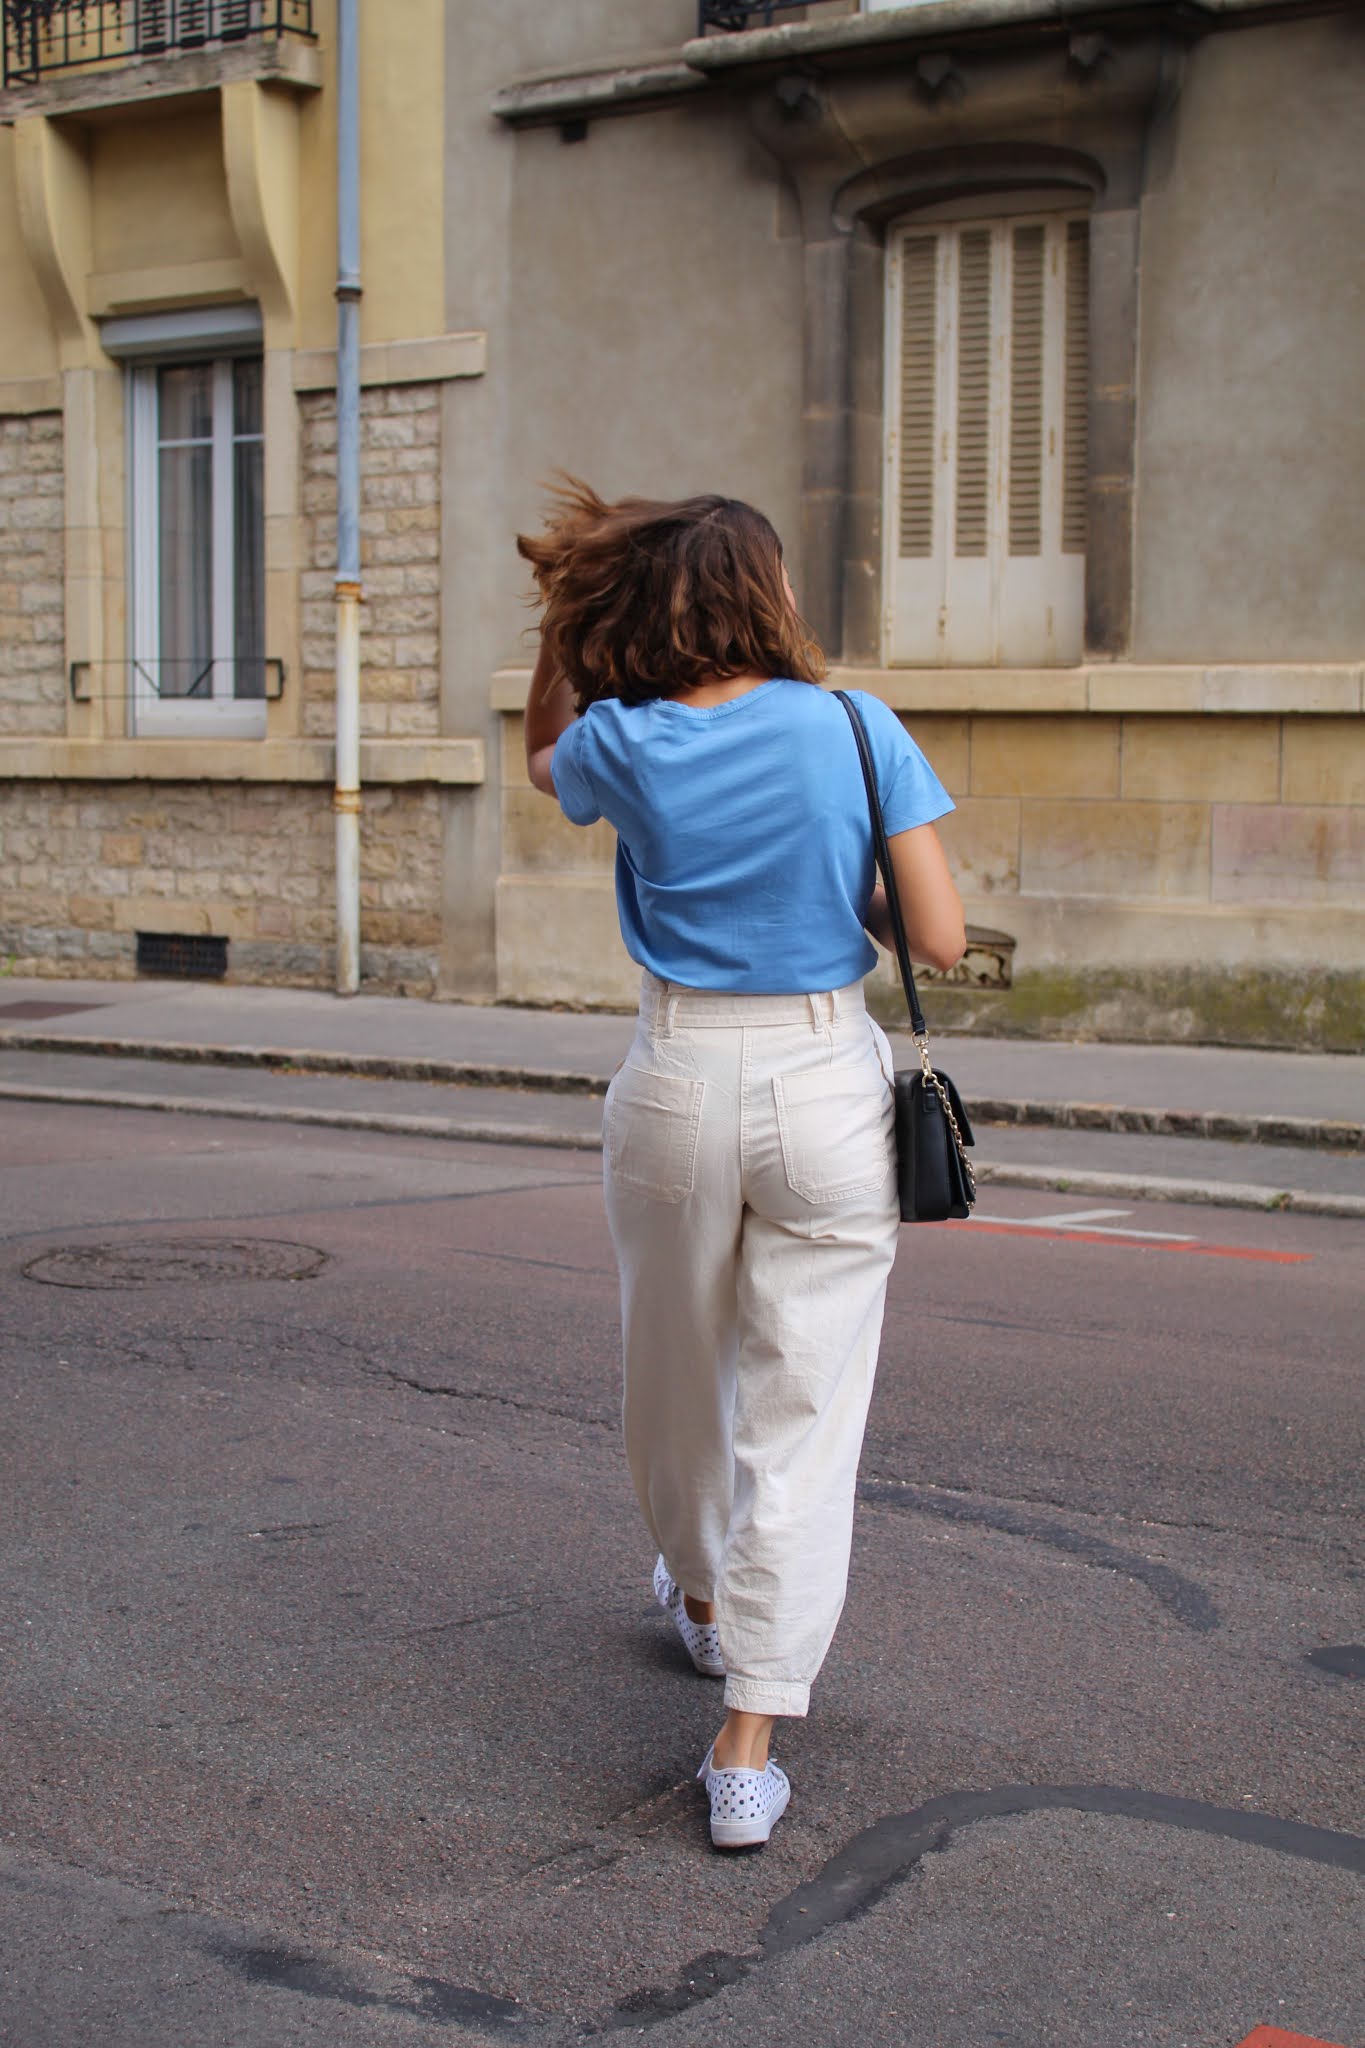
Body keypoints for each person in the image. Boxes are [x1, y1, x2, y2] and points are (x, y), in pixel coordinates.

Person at [518, 480, 965, 1851]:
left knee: (672, 1368)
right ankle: (748, 1741)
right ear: (768, 595)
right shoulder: (852, 723)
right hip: (824, 1082)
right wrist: (853, 882)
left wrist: (557, 620)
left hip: (675, 1077)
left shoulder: (624, 742)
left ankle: (704, 1602)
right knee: (802, 1406)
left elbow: (539, 757)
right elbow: (936, 939)